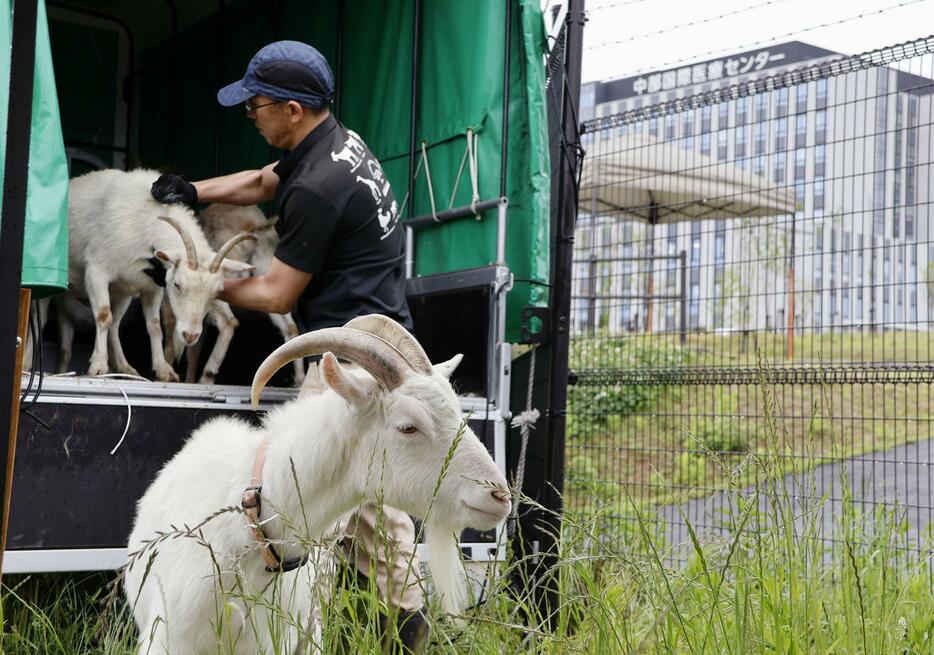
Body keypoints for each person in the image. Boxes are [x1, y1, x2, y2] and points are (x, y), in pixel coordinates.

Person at [150, 40, 425, 652]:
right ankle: (381, 626)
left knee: (337, 503)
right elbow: (260, 181)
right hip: (370, 337)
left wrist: (197, 282)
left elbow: (275, 293)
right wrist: (193, 191)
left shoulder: (321, 185)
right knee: (350, 506)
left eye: (258, 104)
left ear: (294, 109)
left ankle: (392, 632)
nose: (250, 113)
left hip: (354, 357)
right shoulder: (329, 145)